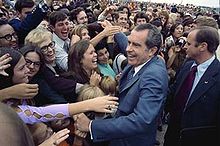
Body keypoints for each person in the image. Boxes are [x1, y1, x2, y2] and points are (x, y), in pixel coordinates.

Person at [75, 23, 169, 146]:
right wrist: (112, 28)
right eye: (129, 42)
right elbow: (127, 42)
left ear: (152, 50)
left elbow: (141, 121)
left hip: (131, 141)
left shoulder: (154, 76)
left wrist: (91, 125)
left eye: (135, 45)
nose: (128, 49)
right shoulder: (142, 57)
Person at [0, 47, 118, 124]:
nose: (29, 69)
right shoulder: (7, 107)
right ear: (7, 74)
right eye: (23, 67)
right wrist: (88, 104)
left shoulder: (29, 86)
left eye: (36, 64)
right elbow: (39, 113)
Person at [164, 26, 220, 146]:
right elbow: (173, 93)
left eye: (189, 44)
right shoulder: (187, 66)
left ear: (202, 46)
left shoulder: (217, 75)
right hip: (172, 136)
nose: (184, 47)